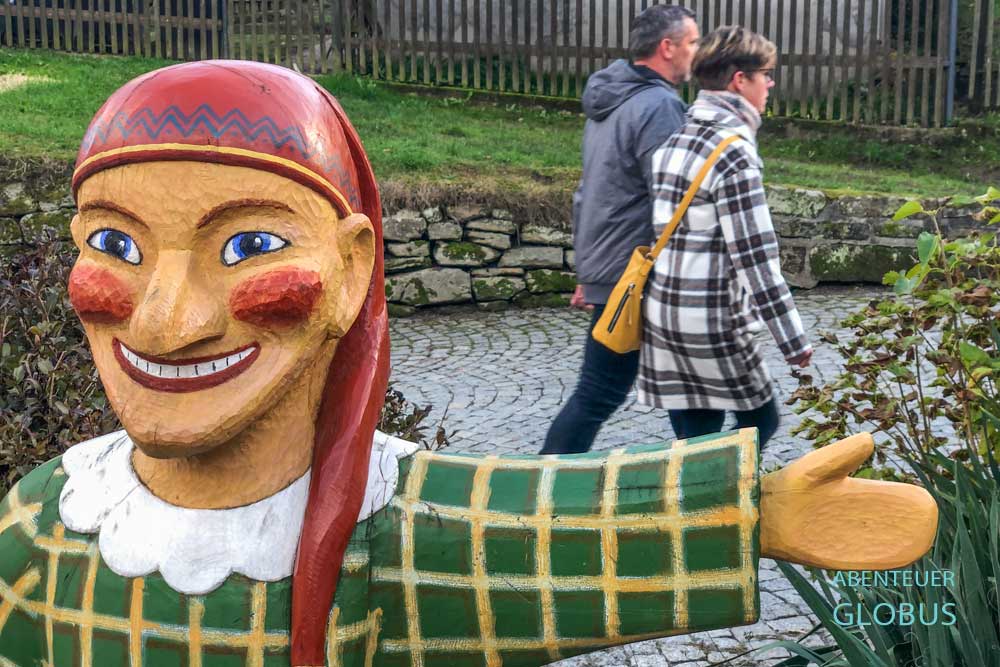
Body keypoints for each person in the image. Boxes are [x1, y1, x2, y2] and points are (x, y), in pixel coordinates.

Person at [0, 61, 938, 667]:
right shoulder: (44, 521)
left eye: (247, 246)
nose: (167, 321)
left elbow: (542, 533)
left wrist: (760, 514)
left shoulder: (387, 526)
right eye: (114, 247)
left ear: (352, 268)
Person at [640, 26, 813, 447]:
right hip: (714, 321)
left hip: (665, 316)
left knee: (695, 438)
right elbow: (755, 258)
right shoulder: (733, 152)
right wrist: (793, 341)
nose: (770, 84)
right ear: (740, 80)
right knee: (759, 427)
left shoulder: (676, 141)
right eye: (766, 74)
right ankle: (721, 507)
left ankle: (688, 508)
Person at [543, 5, 701, 455]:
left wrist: (588, 275)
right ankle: (712, 491)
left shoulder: (611, 101)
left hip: (615, 271)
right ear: (667, 48)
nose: (697, 52)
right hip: (644, 275)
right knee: (663, 393)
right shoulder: (660, 106)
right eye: (691, 42)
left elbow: (590, 192)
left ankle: (541, 486)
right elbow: (674, 201)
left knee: (612, 392)